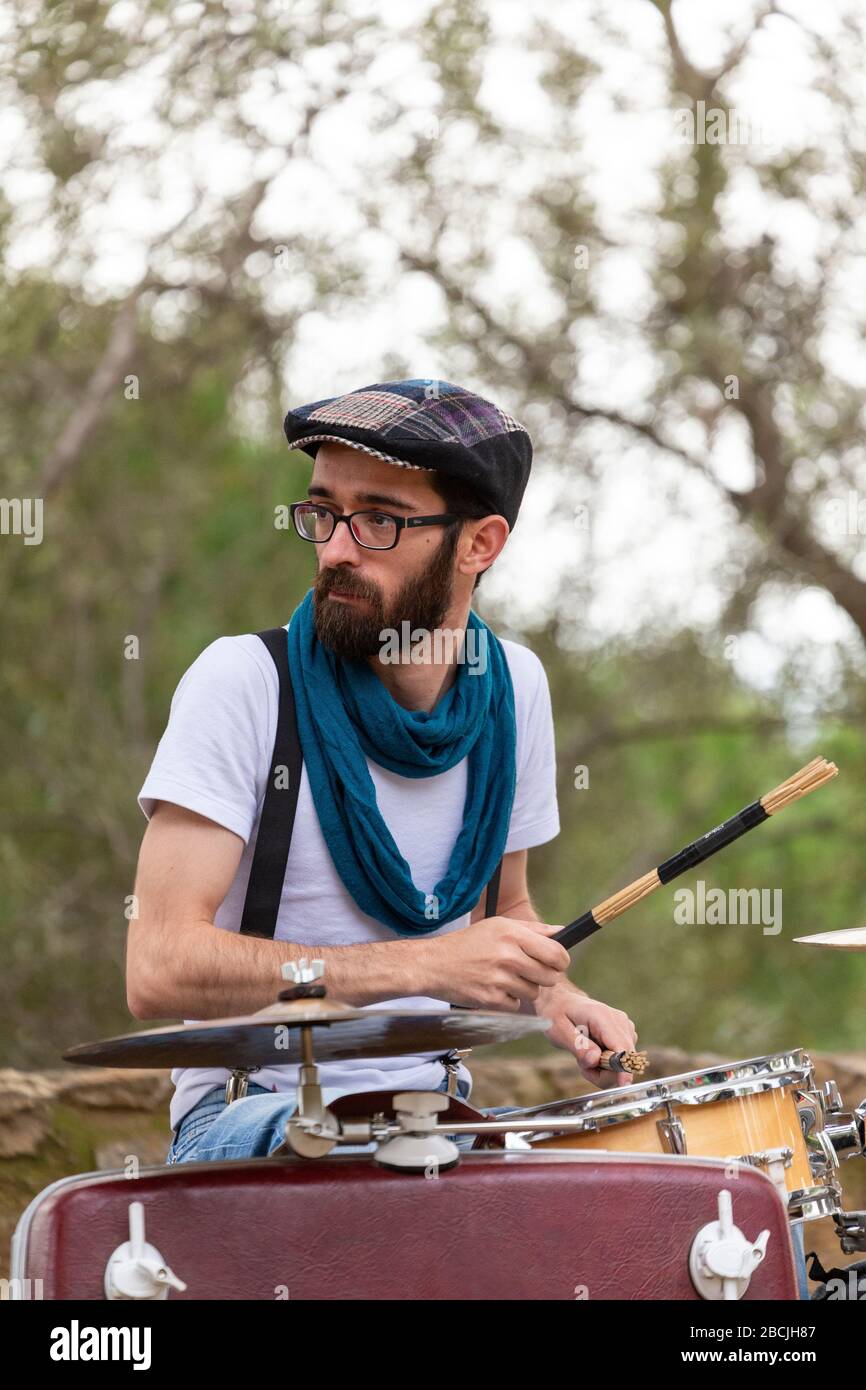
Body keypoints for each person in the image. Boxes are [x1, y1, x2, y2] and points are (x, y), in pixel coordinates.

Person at [127, 377, 637, 1166]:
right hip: (252, 1117)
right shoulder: (246, 684)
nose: (334, 549)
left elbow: (502, 914)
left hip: (438, 1113)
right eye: (324, 512)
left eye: (378, 521)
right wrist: (422, 965)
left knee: (625, 1201)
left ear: (480, 544)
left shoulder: (515, 691)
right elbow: (159, 968)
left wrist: (554, 993)